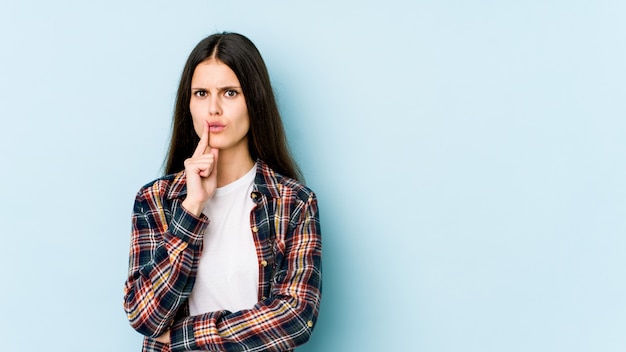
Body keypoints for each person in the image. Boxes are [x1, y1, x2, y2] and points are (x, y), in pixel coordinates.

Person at [123, 32, 322, 352]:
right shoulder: (156, 201)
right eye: (201, 93)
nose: (212, 109)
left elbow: (295, 317)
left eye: (230, 93)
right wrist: (192, 207)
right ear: (188, 104)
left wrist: (181, 337)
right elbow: (146, 317)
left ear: (254, 102)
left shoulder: (293, 203)